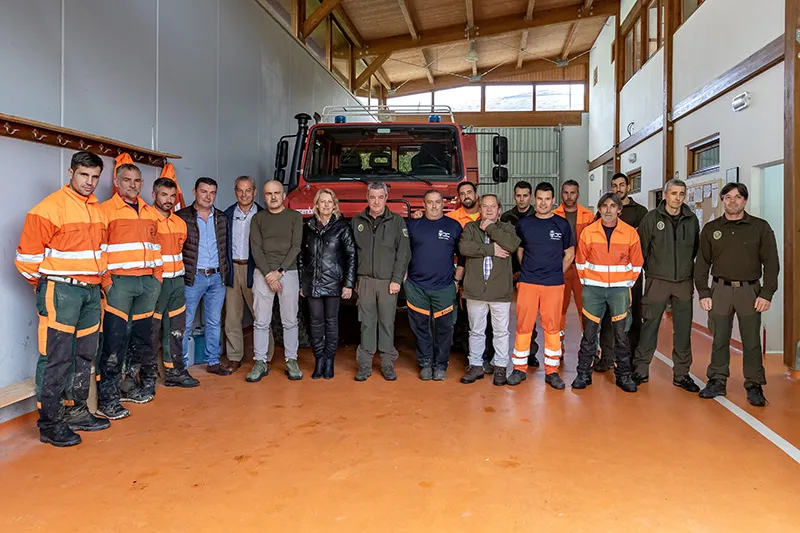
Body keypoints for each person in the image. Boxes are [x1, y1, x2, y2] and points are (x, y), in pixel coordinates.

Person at [15, 151, 110, 446]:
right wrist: (48, 285)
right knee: (56, 356)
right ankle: (50, 423)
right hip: (62, 290)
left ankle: (77, 411)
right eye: (84, 175)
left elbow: (100, 254)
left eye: (95, 177)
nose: (90, 182)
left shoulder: (96, 210)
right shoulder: (48, 209)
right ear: (71, 173)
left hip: (91, 291)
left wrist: (100, 284)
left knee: (84, 353)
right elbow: (26, 260)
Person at [694, 182, 779, 407]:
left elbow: (771, 263)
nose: (733, 201)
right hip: (719, 290)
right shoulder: (711, 229)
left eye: (738, 197)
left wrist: (767, 293)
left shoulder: (760, 227)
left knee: (751, 341)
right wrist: (704, 292)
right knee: (719, 338)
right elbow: (702, 263)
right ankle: (717, 380)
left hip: (750, 291)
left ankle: (754, 384)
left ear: (745, 200)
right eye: (728, 197)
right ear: (722, 200)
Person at [97, 163, 162, 420]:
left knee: (141, 339)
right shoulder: (105, 211)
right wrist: (107, 283)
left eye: (137, 180)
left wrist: (156, 279)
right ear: (117, 181)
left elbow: (156, 248)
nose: (132, 185)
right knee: (114, 341)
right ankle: (108, 399)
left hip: (147, 283)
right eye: (127, 180)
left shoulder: (149, 211)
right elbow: (98, 251)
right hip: (119, 284)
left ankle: (129, 388)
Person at [632, 179, 700, 392]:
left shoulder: (691, 220)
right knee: (650, 325)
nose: (678, 198)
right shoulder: (651, 219)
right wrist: (648, 274)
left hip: (683, 283)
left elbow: (695, 249)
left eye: (681, 194)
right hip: (657, 281)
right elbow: (641, 251)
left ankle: (682, 374)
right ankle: (641, 370)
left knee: (683, 330)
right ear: (665, 194)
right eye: (674, 193)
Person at [572, 193, 643, 392]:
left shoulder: (630, 233)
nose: (609, 210)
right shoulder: (589, 232)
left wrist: (625, 284)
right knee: (589, 334)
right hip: (593, 291)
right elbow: (580, 261)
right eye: (605, 206)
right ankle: (583, 374)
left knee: (621, 335)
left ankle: (624, 375)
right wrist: (590, 283)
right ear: (599, 209)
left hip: (619, 291)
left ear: (620, 210)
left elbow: (637, 263)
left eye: (613, 206)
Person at [512, 183, 574, 389]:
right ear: (534, 200)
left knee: (552, 328)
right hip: (528, 283)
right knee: (523, 326)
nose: (543, 203)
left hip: (553, 284)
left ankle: (552, 371)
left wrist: (557, 273)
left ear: (553, 200)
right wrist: (528, 269)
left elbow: (570, 254)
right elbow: (520, 251)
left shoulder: (562, 224)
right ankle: (519, 369)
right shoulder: (525, 224)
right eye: (539, 199)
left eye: (547, 199)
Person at [352, 182, 410, 381]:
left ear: (386, 198)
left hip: (388, 282)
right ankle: (365, 365)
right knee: (367, 323)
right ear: (367, 198)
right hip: (366, 280)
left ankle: (387, 363)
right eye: (372, 197)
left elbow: (403, 253)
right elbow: (351, 253)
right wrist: (354, 280)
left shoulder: (396, 222)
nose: (376, 201)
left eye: (380, 197)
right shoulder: (357, 221)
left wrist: (396, 280)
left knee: (387, 322)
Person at [460, 194, 520, 386]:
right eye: (484, 206)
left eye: (492, 206)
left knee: (501, 331)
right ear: (480, 209)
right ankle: (476, 365)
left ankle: (501, 367)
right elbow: (464, 247)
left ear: (499, 210)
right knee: (476, 331)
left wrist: (491, 228)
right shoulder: (470, 228)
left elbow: (511, 245)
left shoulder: (507, 228)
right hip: (475, 290)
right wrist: (491, 250)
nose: (488, 209)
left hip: (499, 291)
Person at [247, 180, 304, 382]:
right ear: (263, 196)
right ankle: (260, 362)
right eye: (269, 193)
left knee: (290, 321)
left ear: (283, 195)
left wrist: (279, 272)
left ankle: (291, 360)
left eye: (277, 193)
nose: (273, 197)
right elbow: (256, 249)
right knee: (261, 321)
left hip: (288, 272)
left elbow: (296, 247)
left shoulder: (295, 217)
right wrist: (267, 274)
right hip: (263, 274)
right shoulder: (258, 219)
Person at [298, 188, 356, 380]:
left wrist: (348, 284)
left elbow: (351, 256)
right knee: (315, 323)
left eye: (329, 201)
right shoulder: (307, 228)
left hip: (334, 284)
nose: (325, 205)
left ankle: (329, 360)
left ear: (334, 205)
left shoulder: (342, 228)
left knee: (331, 323)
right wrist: (301, 283)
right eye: (322, 201)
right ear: (316, 204)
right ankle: (319, 360)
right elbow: (300, 257)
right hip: (312, 284)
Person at [148, 178, 200, 389]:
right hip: (155, 283)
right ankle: (148, 376)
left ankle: (175, 371)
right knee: (151, 330)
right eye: (163, 195)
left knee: (176, 328)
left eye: (172, 196)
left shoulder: (179, 222)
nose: (168, 200)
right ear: (154, 195)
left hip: (177, 282)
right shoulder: (147, 220)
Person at [405, 190, 463, 381]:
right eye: (430, 202)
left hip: (444, 287)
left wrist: (456, 281)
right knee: (420, 328)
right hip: (416, 287)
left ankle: (440, 364)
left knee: (444, 329)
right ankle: (425, 363)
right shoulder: (413, 226)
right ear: (424, 204)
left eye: (437, 202)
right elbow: (403, 254)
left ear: (442, 204)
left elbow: (462, 257)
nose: (434, 206)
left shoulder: (454, 227)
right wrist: (405, 279)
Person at [176, 178, 231, 376]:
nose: (208, 196)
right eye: (204, 191)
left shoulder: (222, 218)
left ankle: (213, 362)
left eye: (212, 192)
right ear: (194, 192)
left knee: (213, 321)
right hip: (193, 277)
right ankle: (181, 366)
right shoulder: (181, 217)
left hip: (217, 277)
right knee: (185, 322)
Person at [595, 172, 649, 372]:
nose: (618, 188)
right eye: (614, 185)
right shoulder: (603, 211)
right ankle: (607, 357)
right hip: (606, 277)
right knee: (607, 317)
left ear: (628, 187)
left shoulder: (641, 212)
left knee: (632, 317)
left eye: (621, 185)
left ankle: (631, 359)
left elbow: (642, 241)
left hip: (631, 276)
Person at [223, 176, 273, 372]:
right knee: (232, 316)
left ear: (255, 192)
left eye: (248, 190)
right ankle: (234, 356)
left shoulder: (263, 214)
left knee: (260, 314)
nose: (244, 194)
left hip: (256, 269)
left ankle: (265, 357)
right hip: (233, 268)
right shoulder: (226, 214)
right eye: (240, 190)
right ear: (235, 191)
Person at [501, 181, 539, 368]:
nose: (522, 199)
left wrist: (523, 270)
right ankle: (500, 353)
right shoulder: (506, 217)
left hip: (530, 273)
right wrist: (512, 271)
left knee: (528, 316)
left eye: (525, 195)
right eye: (518, 195)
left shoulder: (538, 216)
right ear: (514, 196)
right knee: (503, 314)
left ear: (530, 197)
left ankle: (530, 352)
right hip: (508, 272)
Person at [553, 180, 595, 346]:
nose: (569, 196)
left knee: (585, 309)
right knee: (559, 309)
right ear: (561, 193)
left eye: (573, 193)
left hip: (581, 269)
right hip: (560, 267)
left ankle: (589, 346)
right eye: (566, 192)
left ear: (578, 194)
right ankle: (558, 344)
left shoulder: (588, 216)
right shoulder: (554, 215)